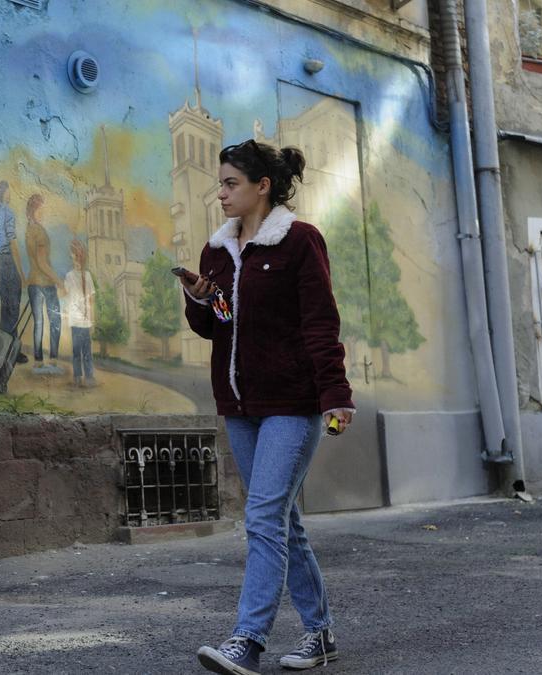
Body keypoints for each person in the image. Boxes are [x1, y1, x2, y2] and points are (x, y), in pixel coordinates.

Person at [182, 139, 355, 675]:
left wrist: (336, 395)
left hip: (292, 402)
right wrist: (199, 301)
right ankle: (320, 633)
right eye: (220, 183)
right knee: (283, 520)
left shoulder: (299, 241)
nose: (221, 193)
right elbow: (217, 328)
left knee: (261, 516)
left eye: (231, 183)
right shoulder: (217, 251)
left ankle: (247, 639)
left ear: (263, 187)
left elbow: (320, 322)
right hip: (239, 404)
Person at [0, 180, 27, 364]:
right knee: (13, 309)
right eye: (9, 191)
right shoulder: (8, 213)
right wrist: (21, 273)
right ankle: (4, 352)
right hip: (10, 263)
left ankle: (12, 350)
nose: (10, 194)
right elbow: (13, 243)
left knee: (7, 307)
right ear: (4, 193)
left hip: (1, 265)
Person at [24, 193, 63, 373]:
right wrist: (59, 281)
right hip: (45, 283)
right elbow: (42, 262)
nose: (44, 212)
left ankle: (39, 361)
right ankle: (53, 359)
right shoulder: (39, 231)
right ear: (34, 211)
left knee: (38, 322)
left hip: (33, 282)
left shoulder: (29, 229)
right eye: (41, 209)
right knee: (55, 320)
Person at [63, 239, 95, 387]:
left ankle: (89, 376)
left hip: (85, 320)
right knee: (76, 351)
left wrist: (91, 318)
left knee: (87, 351)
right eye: (74, 255)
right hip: (75, 320)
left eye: (79, 255)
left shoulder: (87, 276)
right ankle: (77, 376)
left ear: (82, 257)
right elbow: (65, 294)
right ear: (72, 257)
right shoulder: (69, 276)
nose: (76, 258)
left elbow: (91, 299)